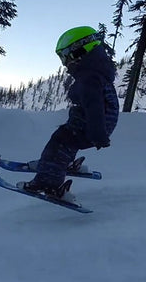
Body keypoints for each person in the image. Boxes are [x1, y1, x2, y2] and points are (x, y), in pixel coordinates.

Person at [17, 26, 118, 198]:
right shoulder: (95, 73)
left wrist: (98, 134)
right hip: (91, 124)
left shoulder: (90, 78)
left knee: (59, 142)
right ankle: (56, 163)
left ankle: (48, 182)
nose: (65, 63)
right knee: (66, 139)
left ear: (80, 52)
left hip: (94, 126)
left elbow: (95, 107)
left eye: (66, 57)